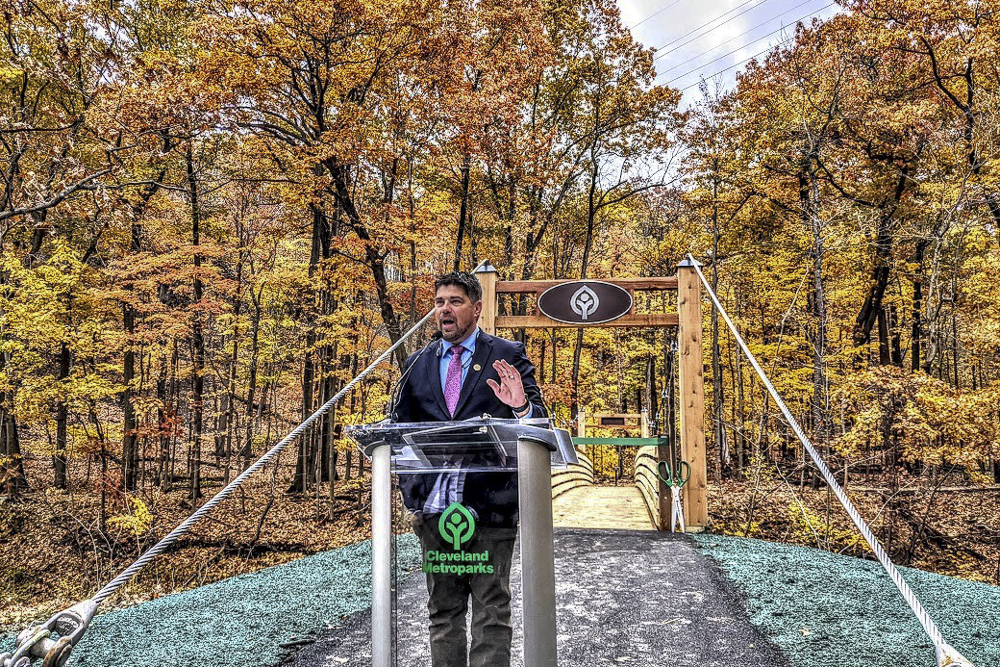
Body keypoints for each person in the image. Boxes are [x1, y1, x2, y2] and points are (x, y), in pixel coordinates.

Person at [390, 271, 547, 667]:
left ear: (476, 309)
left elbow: (540, 419)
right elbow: (398, 429)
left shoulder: (506, 354)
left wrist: (520, 407)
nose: (445, 309)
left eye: (455, 301)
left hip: (490, 508)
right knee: (442, 611)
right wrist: (413, 493)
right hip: (434, 512)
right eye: (440, 301)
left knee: (492, 612)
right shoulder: (417, 362)